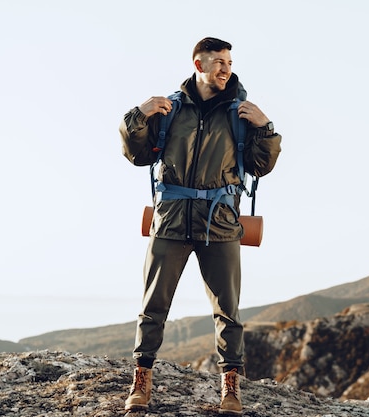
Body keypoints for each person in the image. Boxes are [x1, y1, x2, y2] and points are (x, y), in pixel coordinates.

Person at [118, 37, 281, 415]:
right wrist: (137, 117)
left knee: (229, 312)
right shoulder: (170, 109)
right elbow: (138, 154)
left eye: (228, 62)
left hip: (221, 225)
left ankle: (231, 390)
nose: (226, 68)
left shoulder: (241, 113)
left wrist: (267, 128)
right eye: (218, 62)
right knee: (153, 307)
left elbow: (261, 165)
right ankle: (141, 381)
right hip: (171, 221)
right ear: (198, 63)